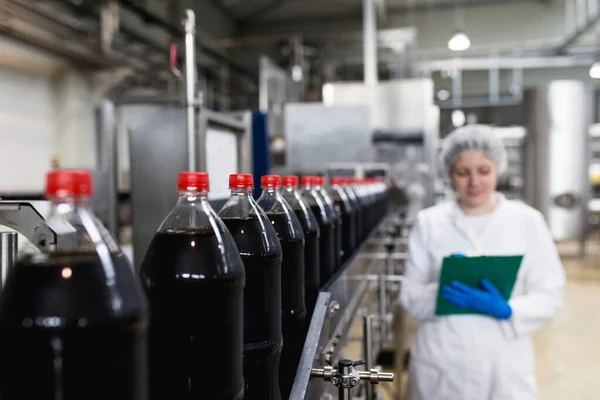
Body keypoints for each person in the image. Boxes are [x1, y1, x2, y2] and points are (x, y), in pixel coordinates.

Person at [400, 124, 566, 400]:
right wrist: (445, 289)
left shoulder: (527, 221)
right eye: (463, 173)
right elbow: (410, 295)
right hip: (442, 360)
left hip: (504, 361)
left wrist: (509, 309)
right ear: (450, 175)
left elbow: (550, 294)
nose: (474, 182)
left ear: (498, 170)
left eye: (484, 171)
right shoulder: (430, 223)